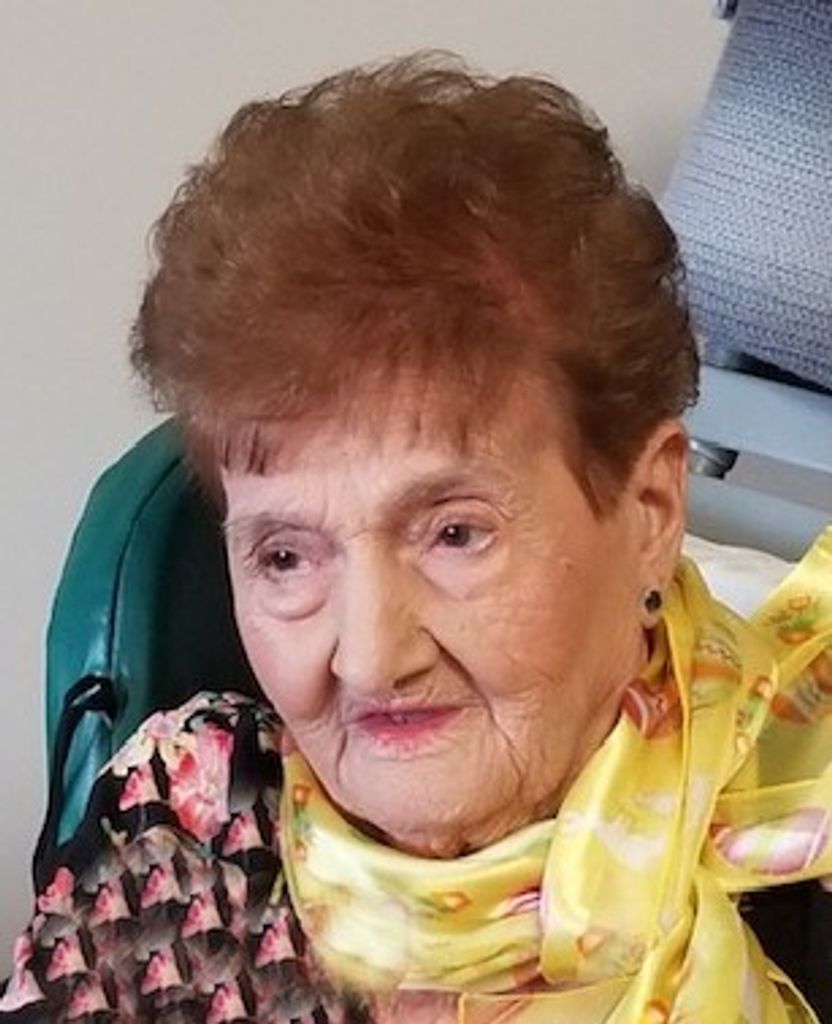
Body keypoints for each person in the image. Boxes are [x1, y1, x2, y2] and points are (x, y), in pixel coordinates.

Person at [2, 54, 831, 1024]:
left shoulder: (801, 851)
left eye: (454, 533)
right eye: (284, 556)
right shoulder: (188, 824)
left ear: (648, 509)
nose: (370, 658)